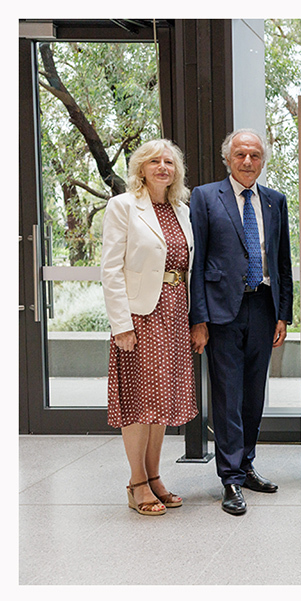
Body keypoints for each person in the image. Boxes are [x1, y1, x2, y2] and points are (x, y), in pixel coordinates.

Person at [189, 129, 293, 515]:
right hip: (221, 311)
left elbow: (281, 261)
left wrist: (284, 312)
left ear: (262, 160)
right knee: (227, 395)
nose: (248, 161)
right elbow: (197, 264)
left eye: (255, 155)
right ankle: (230, 479)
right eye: (240, 155)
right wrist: (198, 318)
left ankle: (246, 464)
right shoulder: (204, 197)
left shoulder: (274, 201)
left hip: (263, 308)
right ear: (227, 159)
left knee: (253, 394)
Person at [101, 139, 197, 516]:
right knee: (141, 401)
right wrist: (121, 325)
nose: (162, 167)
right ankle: (136, 482)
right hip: (141, 317)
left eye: (169, 162)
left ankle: (155, 476)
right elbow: (110, 270)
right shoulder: (123, 207)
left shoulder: (181, 211)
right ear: (141, 168)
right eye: (154, 161)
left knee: (164, 400)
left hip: (175, 314)